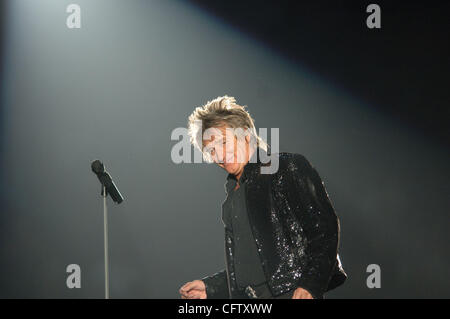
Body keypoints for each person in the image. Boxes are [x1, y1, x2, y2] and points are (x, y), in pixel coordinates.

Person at [179, 95, 346, 299]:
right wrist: (211, 288)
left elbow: (324, 230)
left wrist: (310, 285)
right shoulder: (230, 201)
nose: (219, 155)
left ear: (246, 135)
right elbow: (253, 268)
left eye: (224, 142)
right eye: (211, 150)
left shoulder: (285, 168)